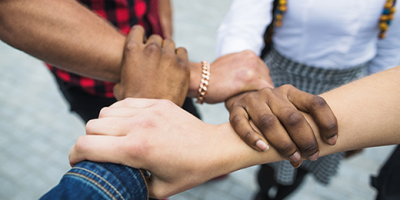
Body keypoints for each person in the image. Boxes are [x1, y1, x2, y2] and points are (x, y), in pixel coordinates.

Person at [42, 63, 400, 200]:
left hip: (346, 98)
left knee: (294, 174)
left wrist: (215, 144)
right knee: (274, 171)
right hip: (275, 91)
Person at [216, 0, 400, 199]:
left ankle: (279, 196)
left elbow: (390, 49)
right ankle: (262, 193)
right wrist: (241, 79)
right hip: (281, 77)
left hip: (348, 86)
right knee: (270, 154)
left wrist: (371, 112)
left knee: (311, 159)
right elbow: (244, 22)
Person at [0, 0, 273, 123]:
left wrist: (164, 24)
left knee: (184, 127)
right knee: (143, 166)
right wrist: (198, 76)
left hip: (158, 52)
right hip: (95, 82)